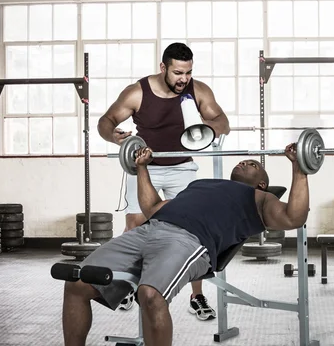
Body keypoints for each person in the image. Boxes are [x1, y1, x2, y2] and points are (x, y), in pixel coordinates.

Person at [61, 142, 310, 346]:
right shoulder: (199, 184)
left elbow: (294, 217)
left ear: (262, 183)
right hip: (148, 230)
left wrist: (299, 169)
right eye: (244, 160)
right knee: (77, 282)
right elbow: (152, 208)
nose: (244, 161)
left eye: (252, 163)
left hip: (189, 240)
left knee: (150, 295)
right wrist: (142, 168)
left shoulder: (260, 198)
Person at [97, 42, 230, 318]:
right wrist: (114, 136)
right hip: (144, 166)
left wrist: (207, 128)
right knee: (135, 224)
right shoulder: (138, 92)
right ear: (163, 68)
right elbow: (106, 120)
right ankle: (124, 286)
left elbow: (222, 121)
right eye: (178, 72)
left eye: (188, 72)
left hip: (182, 166)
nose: (184, 79)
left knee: (194, 229)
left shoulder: (198, 90)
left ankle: (197, 296)